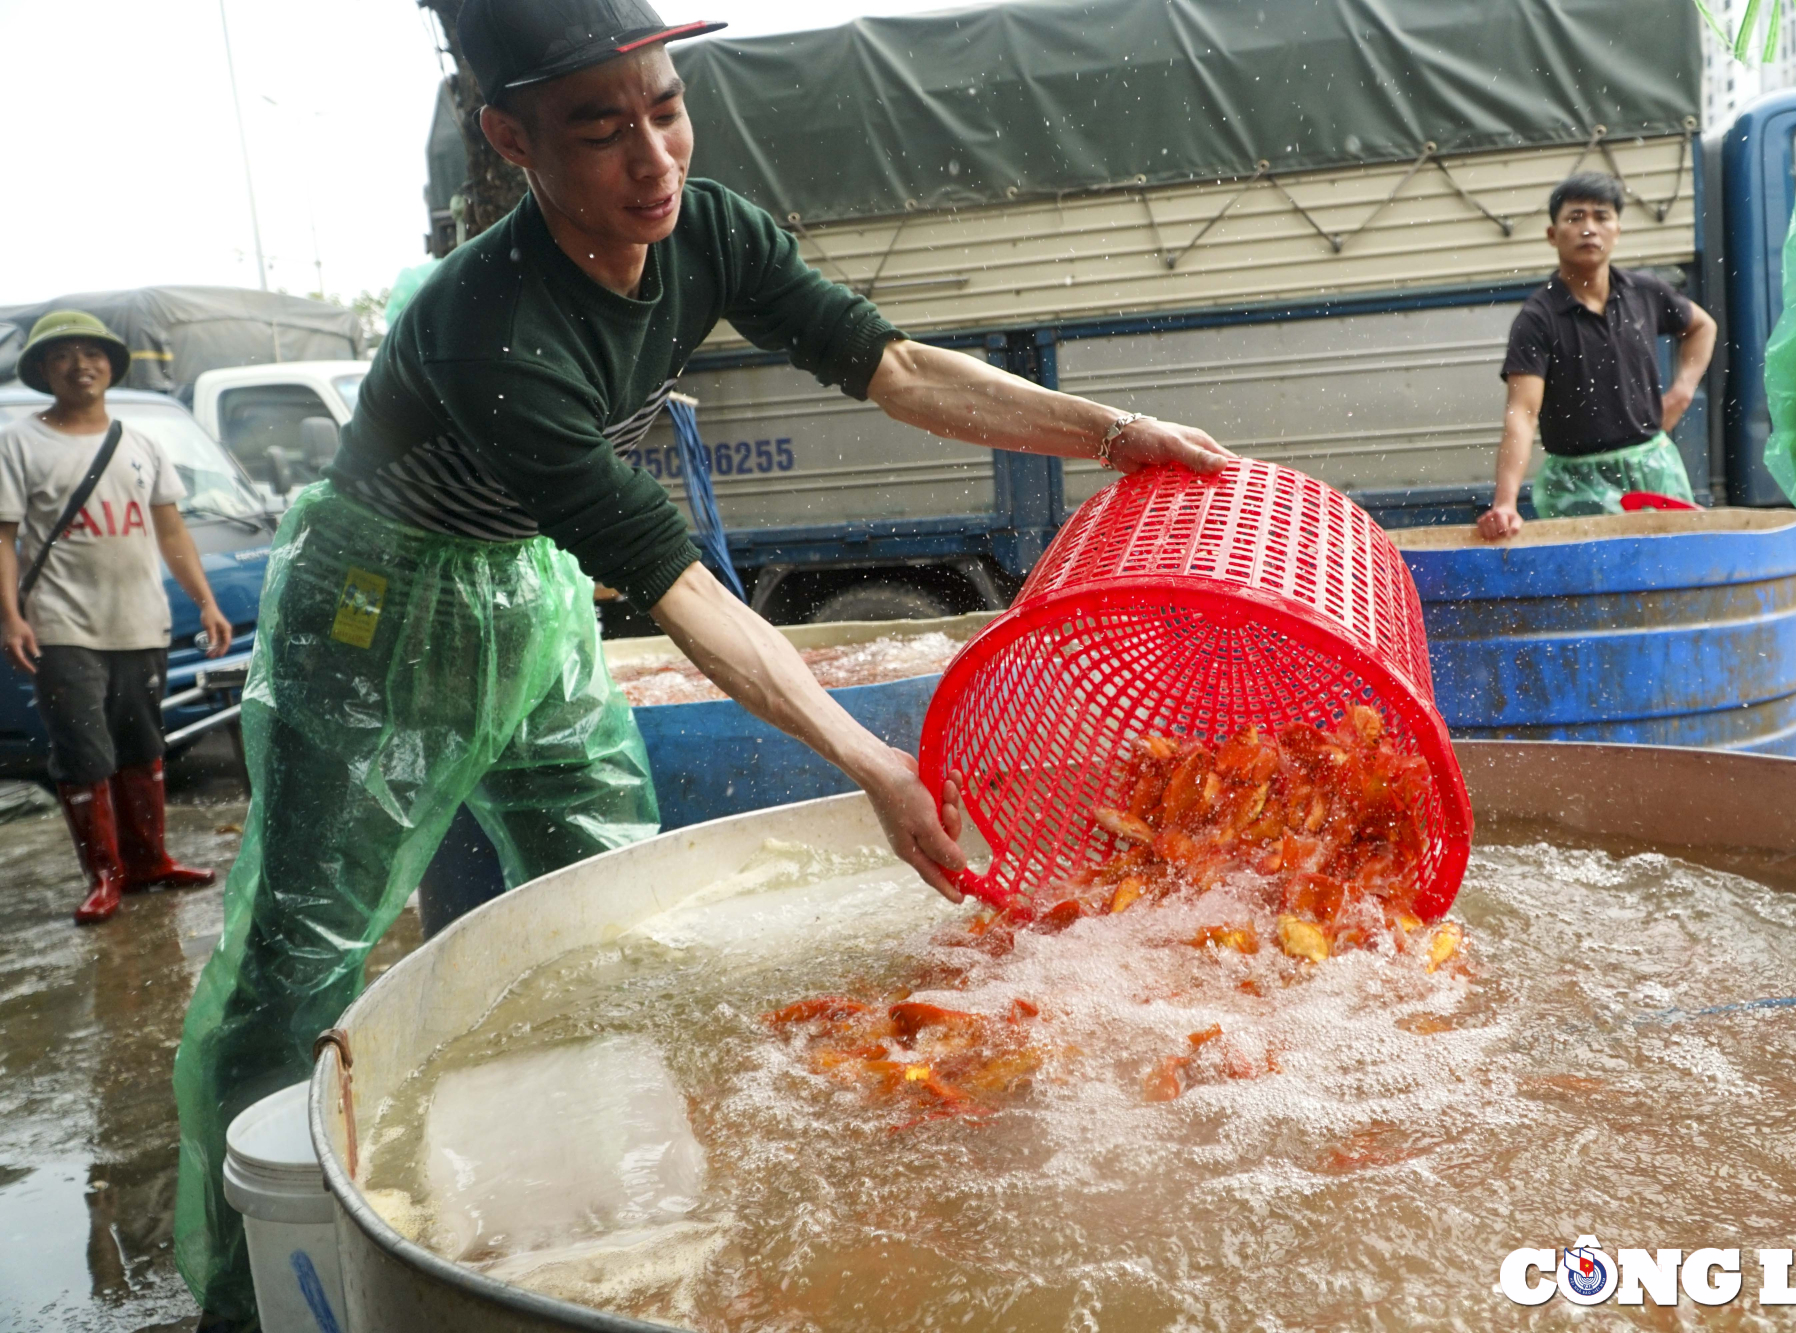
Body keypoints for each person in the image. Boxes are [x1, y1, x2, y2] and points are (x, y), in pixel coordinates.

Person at [170, 0, 1232, 1321]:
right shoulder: (489, 323)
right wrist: (868, 760)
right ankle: (248, 1274)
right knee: (302, 953)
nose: (654, 159)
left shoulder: (707, 231)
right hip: (379, 604)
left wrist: (1112, 431)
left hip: (527, 577)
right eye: (601, 128)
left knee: (603, 885)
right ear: (512, 137)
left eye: (666, 106)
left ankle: (601, 1218)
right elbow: (678, 589)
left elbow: (892, 363)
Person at [0, 311, 233, 924]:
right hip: (60, 625)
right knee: (83, 750)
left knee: (141, 743)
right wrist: (10, 616)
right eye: (63, 355)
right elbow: (3, 537)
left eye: (92, 353)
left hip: (140, 622)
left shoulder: (140, 443)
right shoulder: (20, 443)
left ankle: (150, 859)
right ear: (44, 371)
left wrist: (205, 601)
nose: (81, 365)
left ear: (111, 364)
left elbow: (173, 531)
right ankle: (105, 875)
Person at [1477, 172, 1718, 540]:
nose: (1589, 228)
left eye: (1601, 216)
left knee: (1667, 579)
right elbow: (1521, 415)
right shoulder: (1537, 319)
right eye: (1575, 218)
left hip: (1655, 473)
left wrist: (1682, 392)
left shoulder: (1645, 292)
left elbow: (1703, 327)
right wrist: (1505, 503)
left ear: (1617, 230)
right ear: (1552, 235)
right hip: (1578, 488)